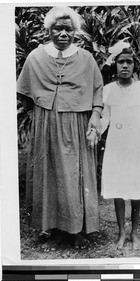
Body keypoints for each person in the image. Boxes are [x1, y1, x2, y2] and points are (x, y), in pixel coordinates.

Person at [17, 6, 103, 249]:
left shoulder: (86, 58)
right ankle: (54, 230)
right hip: (46, 125)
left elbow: (97, 91)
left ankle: (74, 230)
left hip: (76, 124)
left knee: (74, 175)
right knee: (50, 173)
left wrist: (95, 116)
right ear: (49, 30)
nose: (63, 33)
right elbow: (25, 93)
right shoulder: (36, 57)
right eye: (58, 28)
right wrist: (44, 110)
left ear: (75, 31)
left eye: (68, 28)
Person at [101, 41, 140, 250]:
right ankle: (121, 234)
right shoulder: (107, 91)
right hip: (116, 146)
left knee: (136, 189)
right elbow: (105, 118)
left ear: (134, 66)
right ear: (115, 65)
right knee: (118, 188)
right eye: (121, 62)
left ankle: (134, 233)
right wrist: (95, 129)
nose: (125, 66)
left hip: (136, 146)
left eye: (129, 62)